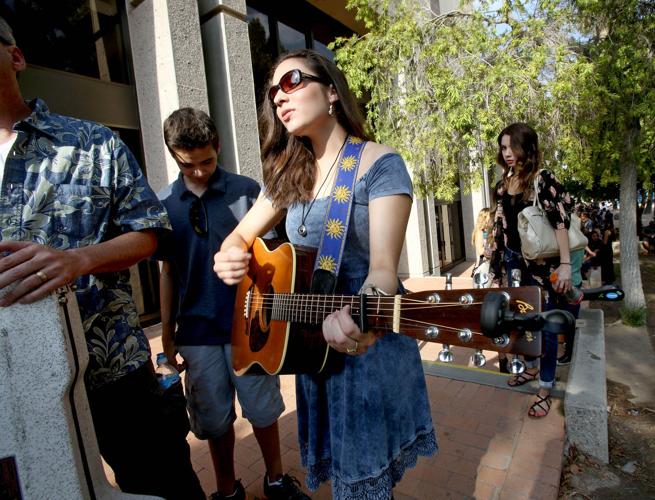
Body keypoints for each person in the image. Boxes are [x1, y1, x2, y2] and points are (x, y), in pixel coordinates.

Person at [213, 49, 437, 499]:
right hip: (313, 348)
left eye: (292, 81)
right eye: (273, 90)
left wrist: (358, 314)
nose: (279, 97)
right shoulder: (287, 175)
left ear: (331, 90)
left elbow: (383, 271)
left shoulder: (378, 164)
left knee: (363, 485)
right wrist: (230, 255)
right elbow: (237, 238)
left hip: (363, 344)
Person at [0, 17, 204, 499]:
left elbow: (152, 234)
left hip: (112, 370)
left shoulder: (92, 143)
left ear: (16, 57)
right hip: (11, 389)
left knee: (163, 483)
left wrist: (79, 260)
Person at [154, 108, 308, 500]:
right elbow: (168, 274)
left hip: (250, 326)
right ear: (173, 154)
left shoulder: (247, 191)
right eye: (189, 165)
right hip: (196, 333)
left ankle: (274, 479)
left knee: (263, 409)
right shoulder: (164, 205)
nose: (201, 171)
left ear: (218, 146)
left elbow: (273, 255)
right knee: (213, 419)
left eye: (207, 160)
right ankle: (226, 489)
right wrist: (168, 338)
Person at [487, 122, 574, 418]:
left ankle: (546, 385)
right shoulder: (503, 182)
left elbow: (560, 222)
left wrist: (565, 265)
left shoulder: (541, 179)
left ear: (528, 147)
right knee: (520, 320)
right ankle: (532, 368)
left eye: (512, 146)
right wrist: (495, 266)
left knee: (546, 324)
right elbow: (500, 227)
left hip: (540, 266)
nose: (507, 153)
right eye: (503, 147)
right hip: (513, 263)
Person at [471, 207, 495, 277]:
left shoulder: (487, 230)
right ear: (484, 217)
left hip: (488, 265)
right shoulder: (479, 232)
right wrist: (492, 249)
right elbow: (480, 251)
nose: (491, 218)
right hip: (482, 266)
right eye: (490, 216)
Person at [600, 220, 617, 285]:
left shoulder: (607, 231)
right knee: (610, 264)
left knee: (606, 265)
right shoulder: (613, 231)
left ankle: (607, 279)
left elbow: (605, 242)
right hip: (610, 249)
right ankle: (611, 278)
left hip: (606, 250)